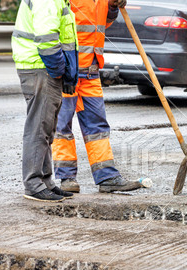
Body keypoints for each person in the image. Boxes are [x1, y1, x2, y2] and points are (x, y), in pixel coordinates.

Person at [52, 0, 141, 193]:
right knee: (62, 125)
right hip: (69, 71)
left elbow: (103, 22)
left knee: (97, 127)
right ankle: (66, 178)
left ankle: (106, 176)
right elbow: (53, 27)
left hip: (91, 71)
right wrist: (61, 68)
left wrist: (113, 7)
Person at [12, 0, 79, 202]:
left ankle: (45, 181)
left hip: (43, 67)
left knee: (47, 127)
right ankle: (33, 184)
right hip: (41, 68)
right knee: (39, 127)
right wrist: (60, 71)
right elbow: (47, 39)